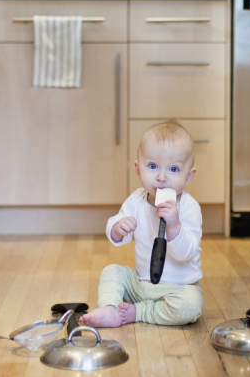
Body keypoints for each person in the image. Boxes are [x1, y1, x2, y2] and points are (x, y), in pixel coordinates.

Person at [79, 119, 204, 327]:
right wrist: (119, 229)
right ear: (138, 170)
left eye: (174, 169)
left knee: (191, 306)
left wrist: (174, 226)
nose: (162, 177)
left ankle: (140, 312)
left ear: (188, 177)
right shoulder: (137, 200)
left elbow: (187, 253)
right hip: (140, 284)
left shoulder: (189, 207)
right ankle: (110, 309)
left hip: (178, 289)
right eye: (153, 166)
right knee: (111, 271)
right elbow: (115, 226)